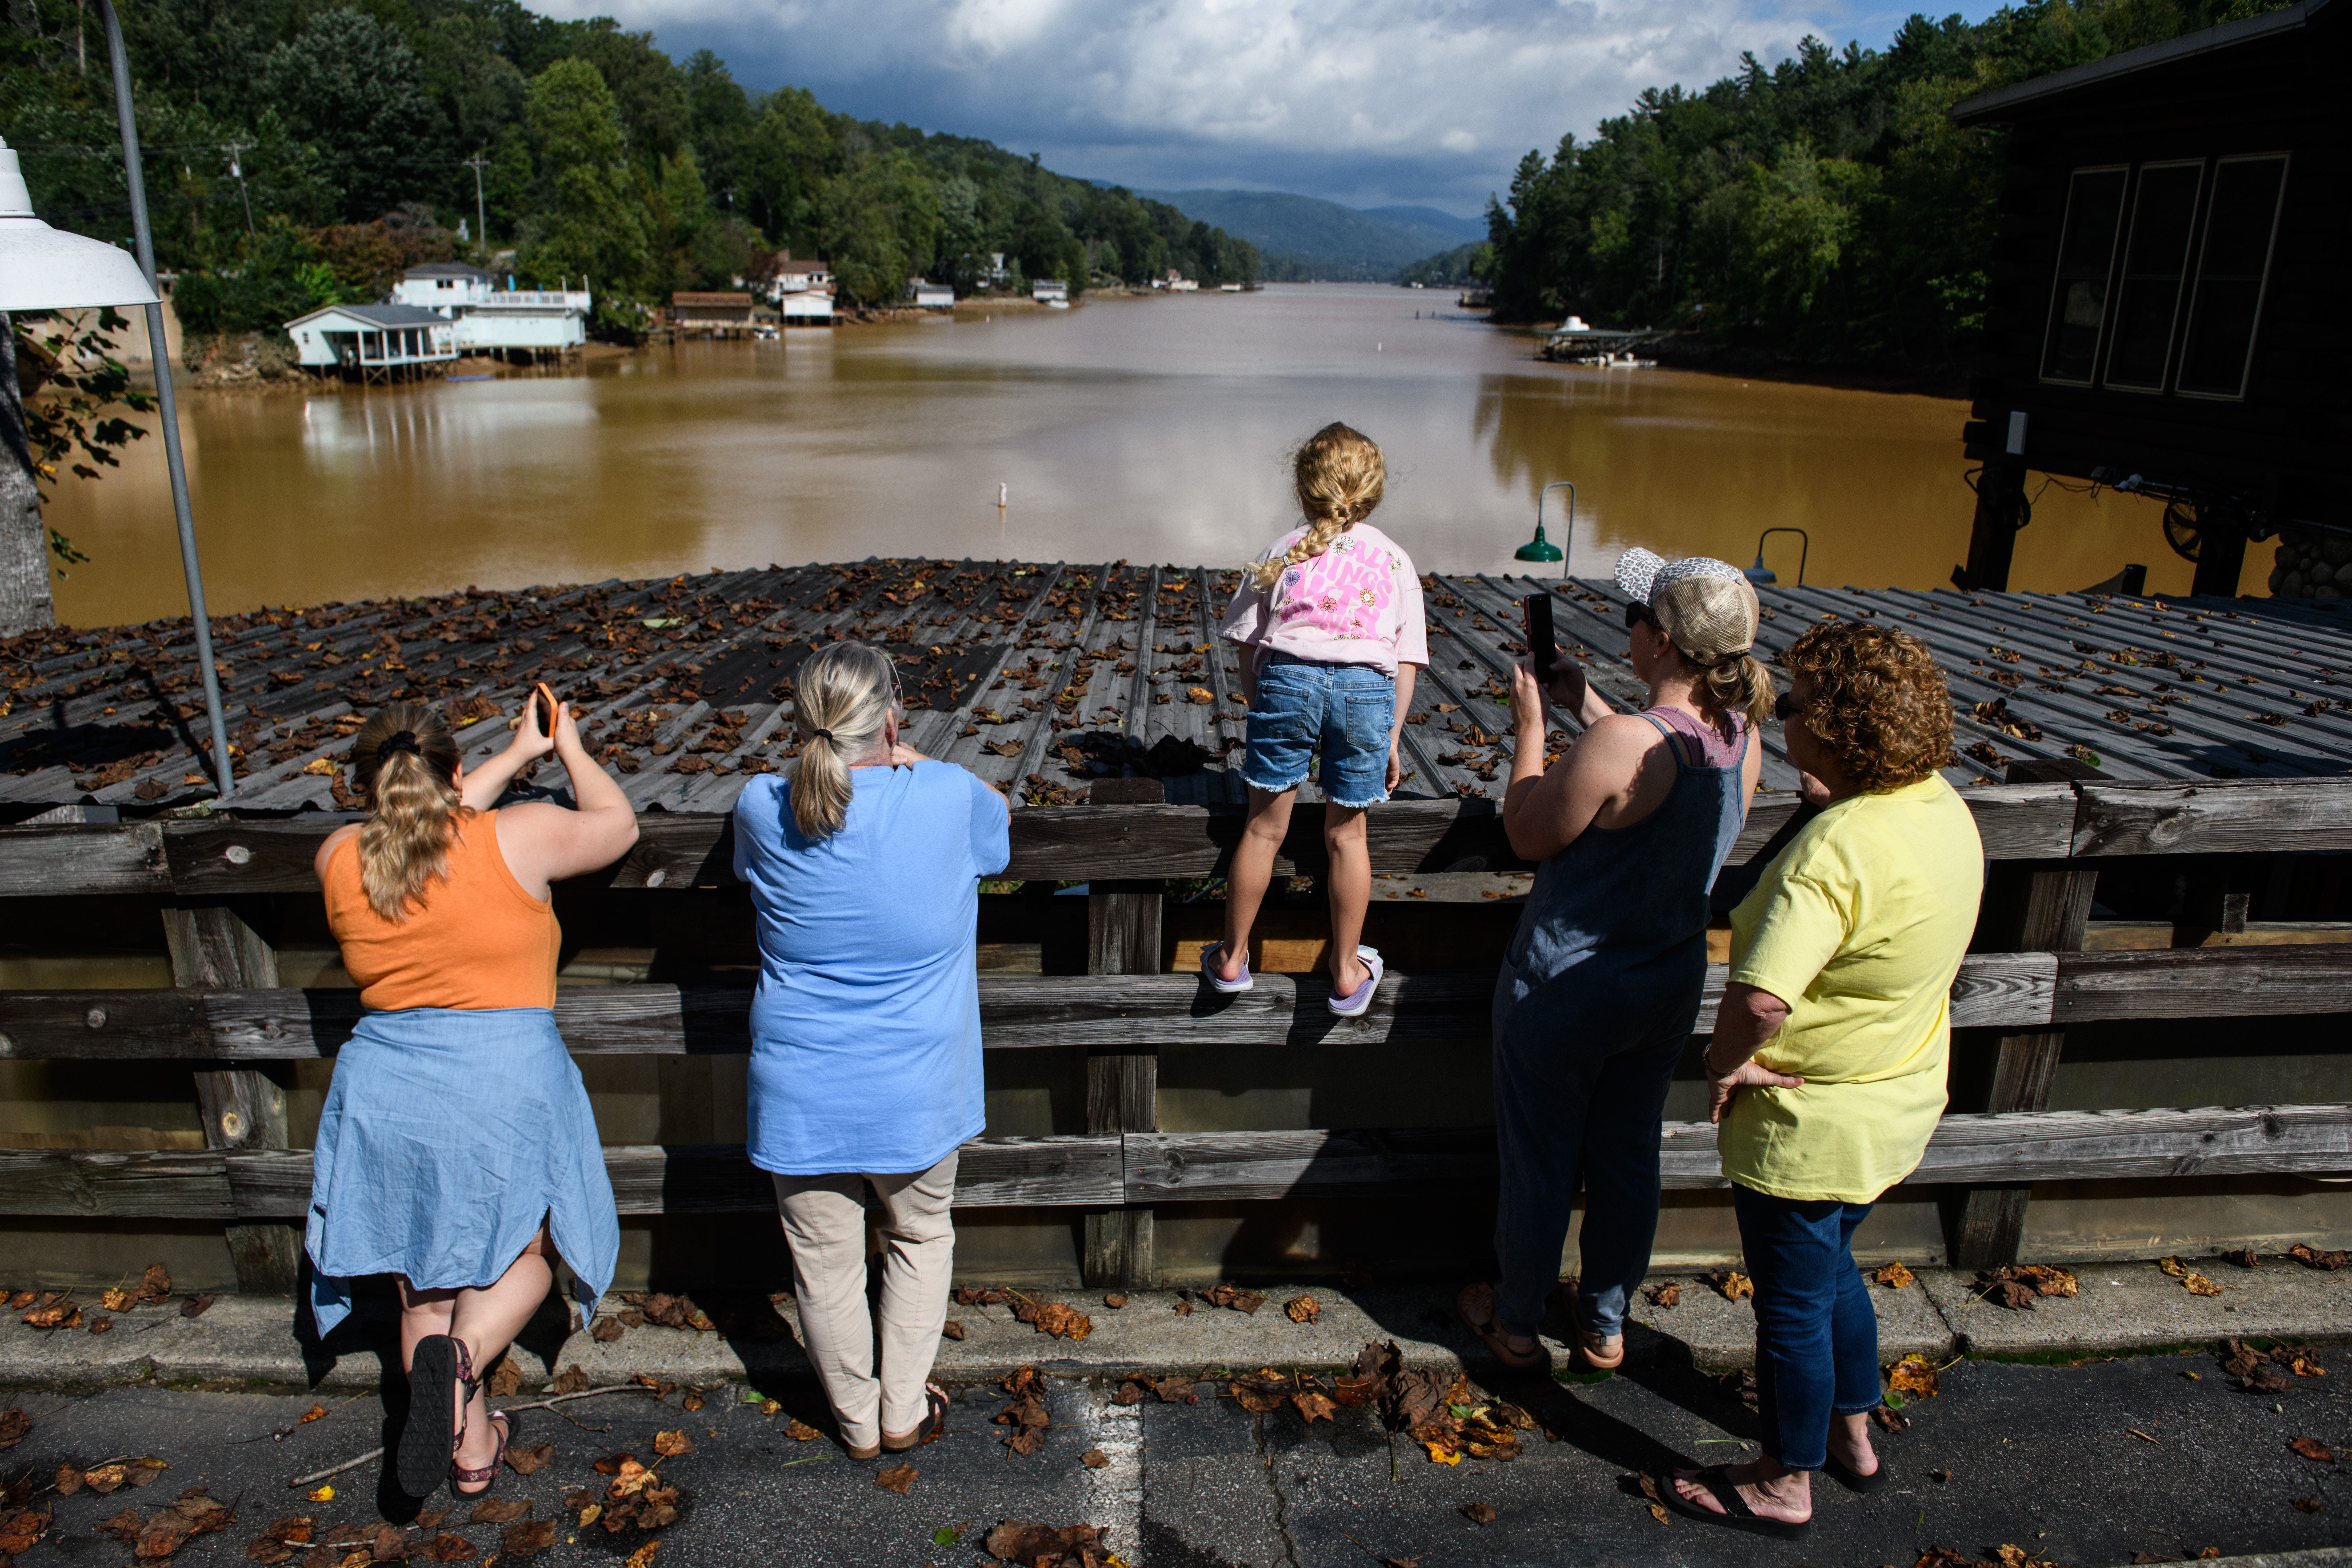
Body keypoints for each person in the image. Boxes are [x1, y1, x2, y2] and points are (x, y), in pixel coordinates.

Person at [1661, 619, 1982, 1538]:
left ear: (1837, 730)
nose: (1780, 711)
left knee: (1792, 1304)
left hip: (1809, 1121)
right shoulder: (1937, 808)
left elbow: (1760, 998)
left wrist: (1722, 1065)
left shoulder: (1833, 851)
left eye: (1794, 704)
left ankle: (1781, 1479)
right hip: (1899, 1096)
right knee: (1835, 1265)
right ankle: (1852, 1434)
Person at [308, 692, 636, 1501]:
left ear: (366, 785)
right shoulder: (517, 838)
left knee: (425, 1280)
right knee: (528, 1257)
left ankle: (471, 1449)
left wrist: (515, 752)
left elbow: (424, 823)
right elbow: (616, 825)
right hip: (500, 1080)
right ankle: (459, 1368)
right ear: (455, 773)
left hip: (387, 1087)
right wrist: (567, 751)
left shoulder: (339, 857)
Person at [1455, 550, 1770, 1374]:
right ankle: (1603, 1323)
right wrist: (1585, 701)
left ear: (1661, 641)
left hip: (1565, 991)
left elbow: (1528, 831)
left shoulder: (1621, 743)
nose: (1626, 628)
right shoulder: (1743, 739)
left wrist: (1531, 727)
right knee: (1630, 1158)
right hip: (1663, 988)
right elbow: (1662, 756)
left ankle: (1518, 1324)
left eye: (1635, 618)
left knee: (1541, 1162)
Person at [732, 641, 1010, 1459]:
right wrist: (913, 756)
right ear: (892, 715)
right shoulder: (948, 796)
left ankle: (853, 1421)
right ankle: (901, 1412)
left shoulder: (759, 805)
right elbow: (998, 825)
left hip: (800, 1083)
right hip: (917, 1082)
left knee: (824, 1262)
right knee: (921, 1238)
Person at [1207, 422, 1428, 1016]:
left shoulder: (1282, 550)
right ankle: (1346, 970)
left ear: (1304, 488)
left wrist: (1264, 703)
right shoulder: (1396, 560)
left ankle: (1231, 958)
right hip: (1365, 694)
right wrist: (1391, 737)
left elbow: (1248, 647)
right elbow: (1405, 663)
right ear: (1372, 492)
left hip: (1288, 680)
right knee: (1346, 835)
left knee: (1262, 828)